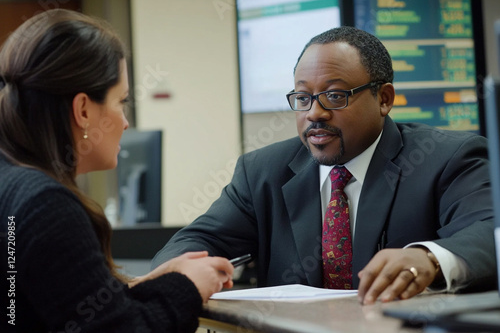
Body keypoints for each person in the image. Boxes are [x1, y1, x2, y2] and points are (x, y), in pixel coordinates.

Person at [152, 26, 497, 305]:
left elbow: (489, 233)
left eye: (335, 95)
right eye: (302, 98)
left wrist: (429, 259)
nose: (314, 113)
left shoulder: (447, 158)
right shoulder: (263, 171)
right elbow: (196, 241)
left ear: (384, 99)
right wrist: (182, 270)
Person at [0, 9, 233, 333]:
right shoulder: (45, 205)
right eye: (121, 101)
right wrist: (188, 287)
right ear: (83, 109)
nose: (125, 122)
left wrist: (152, 282)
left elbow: (69, 308)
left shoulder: (11, 180)